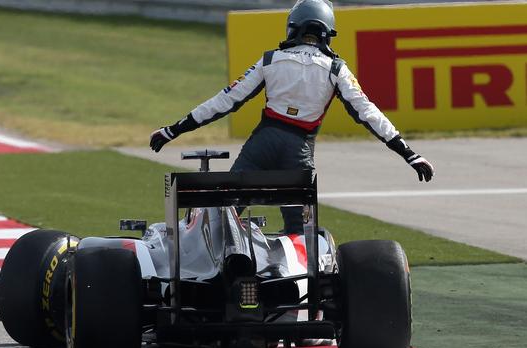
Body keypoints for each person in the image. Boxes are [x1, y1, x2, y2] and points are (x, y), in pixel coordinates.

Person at [150, 0, 434, 234]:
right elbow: (367, 112)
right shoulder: (336, 69)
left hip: (261, 145)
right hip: (299, 151)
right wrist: (408, 153)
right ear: (327, 33)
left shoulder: (271, 59)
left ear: (293, 28)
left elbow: (225, 101)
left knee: (227, 217)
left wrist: (172, 130)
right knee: (301, 233)